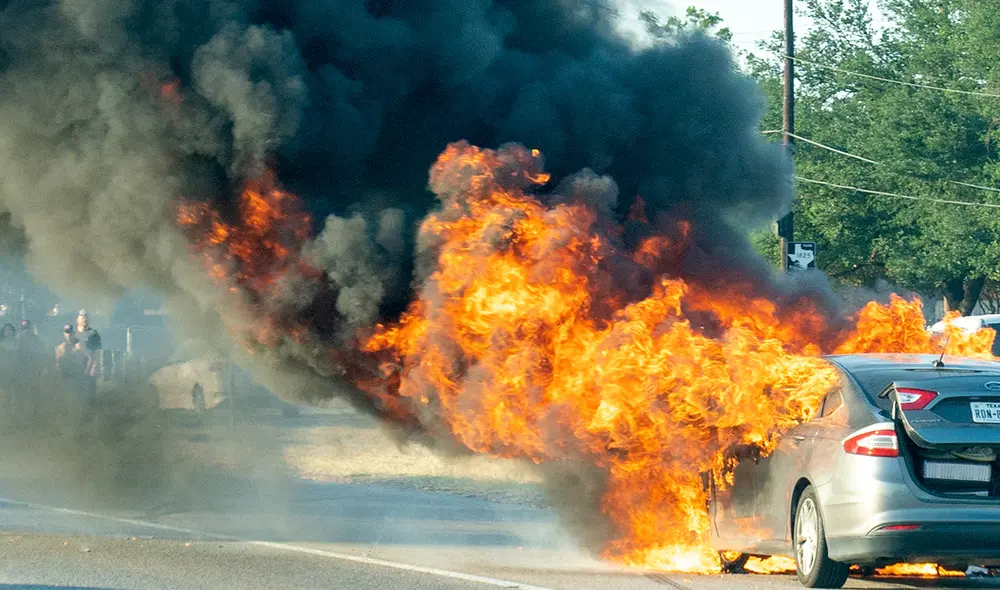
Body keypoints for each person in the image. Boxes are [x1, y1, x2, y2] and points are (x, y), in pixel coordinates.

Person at [75, 309, 102, 404]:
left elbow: (98, 351)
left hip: (89, 367)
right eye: (81, 317)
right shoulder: (72, 334)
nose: (84, 319)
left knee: (90, 394)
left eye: (86, 317)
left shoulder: (93, 333)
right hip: (75, 367)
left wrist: (95, 367)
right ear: (77, 319)